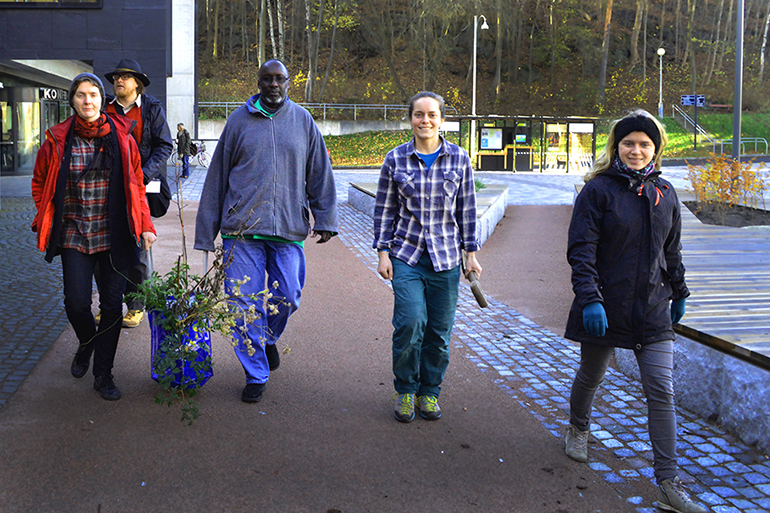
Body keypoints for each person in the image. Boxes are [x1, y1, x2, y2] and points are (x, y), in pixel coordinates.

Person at [564, 110, 707, 513]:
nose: (637, 150)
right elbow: (582, 251)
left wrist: (679, 290)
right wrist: (590, 298)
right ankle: (578, 427)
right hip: (606, 306)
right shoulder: (598, 192)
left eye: (645, 144)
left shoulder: (666, 192)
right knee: (591, 374)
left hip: (653, 308)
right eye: (629, 143)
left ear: (656, 149)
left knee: (662, 391)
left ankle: (668, 482)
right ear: (616, 147)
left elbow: (671, 250)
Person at [194, 59, 338, 403]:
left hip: (287, 228)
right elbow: (216, 177)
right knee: (242, 306)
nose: (273, 84)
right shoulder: (238, 121)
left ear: (289, 82)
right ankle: (255, 372)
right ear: (258, 82)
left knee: (288, 296)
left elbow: (319, 171)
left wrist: (326, 217)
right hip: (240, 232)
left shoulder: (302, 121)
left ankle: (267, 338)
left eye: (280, 79)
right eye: (267, 79)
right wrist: (205, 233)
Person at [31, 73, 156, 401]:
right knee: (76, 303)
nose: (88, 101)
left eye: (94, 95)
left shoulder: (121, 137)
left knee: (113, 306)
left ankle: (103, 374)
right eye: (81, 95)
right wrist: (44, 212)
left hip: (113, 234)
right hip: (74, 233)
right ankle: (87, 343)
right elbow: (40, 180)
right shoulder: (57, 139)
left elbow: (135, 184)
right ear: (72, 101)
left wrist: (145, 225)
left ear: (102, 100)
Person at [373, 91, 482, 423]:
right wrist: (382, 252)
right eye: (419, 114)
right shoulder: (395, 159)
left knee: (439, 331)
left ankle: (429, 392)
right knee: (410, 322)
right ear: (410, 119)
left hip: (446, 259)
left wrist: (471, 254)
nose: (425, 120)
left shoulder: (459, 159)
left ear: (442, 119)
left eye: (432, 115)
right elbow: (384, 209)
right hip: (407, 255)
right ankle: (406, 389)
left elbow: (467, 210)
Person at [104, 58, 174, 328]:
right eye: (116, 76)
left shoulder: (151, 108)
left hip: (139, 186)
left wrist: (143, 174)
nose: (118, 80)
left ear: (138, 84)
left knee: (138, 246)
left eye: (125, 76)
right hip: (107, 187)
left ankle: (136, 304)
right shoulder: (105, 107)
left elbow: (164, 145)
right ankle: (109, 304)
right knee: (105, 246)